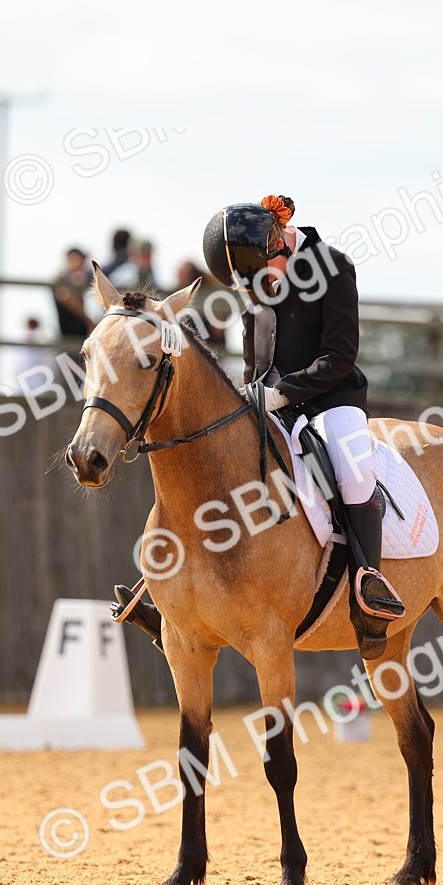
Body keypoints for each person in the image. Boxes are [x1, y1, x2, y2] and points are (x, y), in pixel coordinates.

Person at [113, 195, 405, 657]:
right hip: (268, 402)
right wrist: (248, 396)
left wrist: (286, 390)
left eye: (256, 277)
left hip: (331, 400)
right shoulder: (257, 281)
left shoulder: (333, 266)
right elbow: (253, 359)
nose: (255, 288)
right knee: (210, 469)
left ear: (278, 243)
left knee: (354, 471)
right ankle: (165, 596)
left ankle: (369, 584)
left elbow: (340, 354)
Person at [52, 247, 93, 339]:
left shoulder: (66, 277)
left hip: (75, 333)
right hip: (70, 334)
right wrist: (89, 322)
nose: (83, 264)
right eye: (82, 260)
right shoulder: (65, 278)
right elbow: (65, 296)